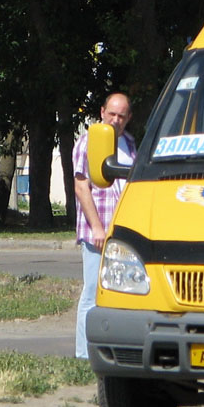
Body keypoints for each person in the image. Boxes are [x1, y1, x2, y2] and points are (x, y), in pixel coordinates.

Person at [72, 92, 135, 359]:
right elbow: (81, 186)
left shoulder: (130, 143)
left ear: (128, 118)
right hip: (96, 231)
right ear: (102, 112)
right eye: (112, 113)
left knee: (122, 292)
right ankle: (83, 355)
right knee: (91, 294)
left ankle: (116, 352)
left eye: (121, 115)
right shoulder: (88, 142)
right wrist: (97, 227)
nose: (116, 120)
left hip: (123, 231)